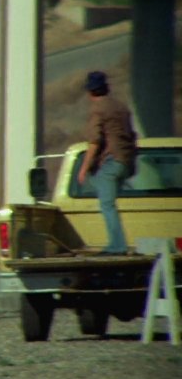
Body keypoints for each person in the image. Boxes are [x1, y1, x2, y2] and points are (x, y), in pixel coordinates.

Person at [77, 71, 137, 255]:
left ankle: (117, 246)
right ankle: (117, 244)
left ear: (90, 92)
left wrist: (83, 169)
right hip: (127, 161)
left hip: (111, 163)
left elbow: (94, 142)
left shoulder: (98, 109)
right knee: (108, 201)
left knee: (107, 204)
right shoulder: (121, 107)